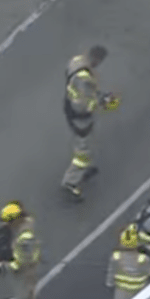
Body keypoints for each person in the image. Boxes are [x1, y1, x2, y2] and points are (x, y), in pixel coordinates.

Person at [62, 45, 120, 200]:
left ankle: (79, 172)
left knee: (85, 144)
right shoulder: (85, 79)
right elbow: (86, 103)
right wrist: (104, 103)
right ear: (96, 59)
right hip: (80, 116)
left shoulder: (76, 62)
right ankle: (71, 182)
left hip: (70, 106)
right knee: (83, 153)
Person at [0, 201, 41, 299]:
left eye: (7, 222)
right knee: (25, 292)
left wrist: (3, 265)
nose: (5, 225)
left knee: (24, 297)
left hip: (25, 271)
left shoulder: (24, 240)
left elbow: (20, 264)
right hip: (27, 265)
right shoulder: (26, 224)